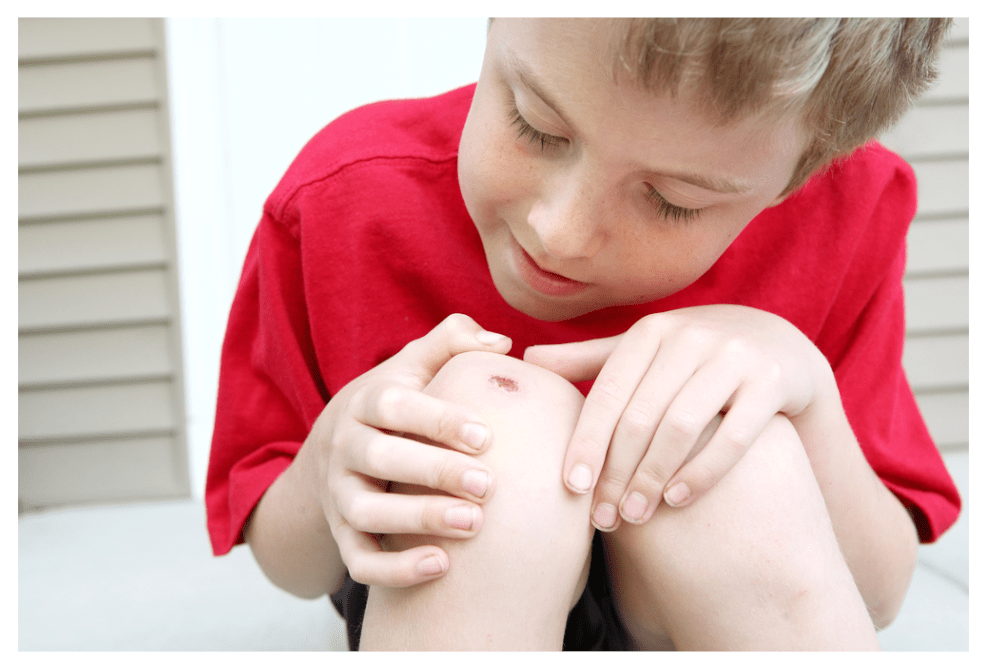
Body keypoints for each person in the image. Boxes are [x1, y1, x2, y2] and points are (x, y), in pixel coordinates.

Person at [205, 18, 962, 650]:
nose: (558, 234)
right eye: (535, 126)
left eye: (672, 201)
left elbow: (879, 590)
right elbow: (286, 557)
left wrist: (803, 387)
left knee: (732, 445)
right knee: (487, 418)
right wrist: (335, 460)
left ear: (800, 176)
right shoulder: (343, 199)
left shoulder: (846, 215)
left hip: (710, 611)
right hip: (444, 598)